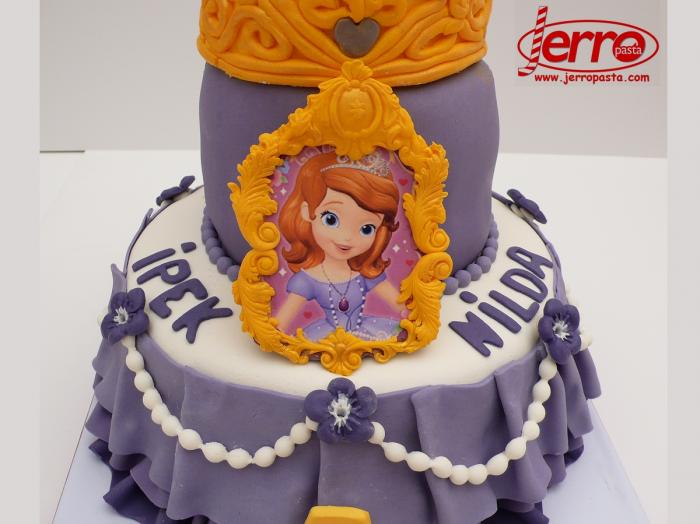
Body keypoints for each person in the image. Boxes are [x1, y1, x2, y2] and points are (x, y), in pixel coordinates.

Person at [276, 150, 406, 341]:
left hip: (369, 333)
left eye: (366, 228)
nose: (347, 238)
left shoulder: (365, 274)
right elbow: (279, 324)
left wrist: (417, 319)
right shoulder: (307, 281)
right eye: (331, 219)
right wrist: (271, 335)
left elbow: (402, 307)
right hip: (326, 338)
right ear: (307, 212)